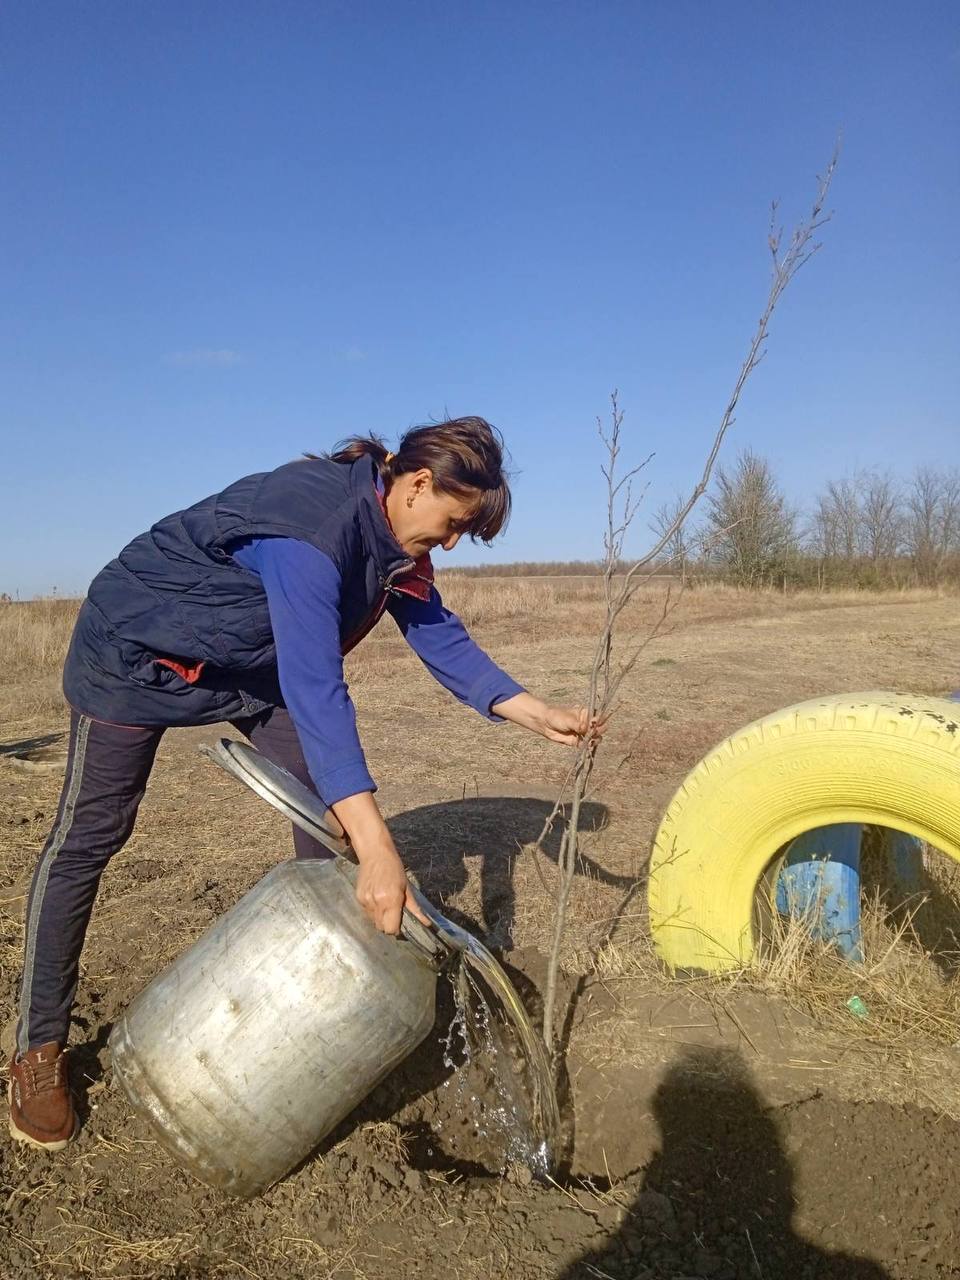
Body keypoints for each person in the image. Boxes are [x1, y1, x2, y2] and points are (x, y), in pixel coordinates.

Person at [8, 416, 604, 1151]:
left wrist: (531, 710)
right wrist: (380, 844)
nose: (449, 544)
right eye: (452, 525)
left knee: (331, 834)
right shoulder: (313, 531)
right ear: (418, 484)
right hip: (135, 657)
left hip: (246, 671)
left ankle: (314, 1022)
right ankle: (36, 1049)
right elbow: (318, 690)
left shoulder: (395, 541)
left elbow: (438, 633)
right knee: (91, 839)